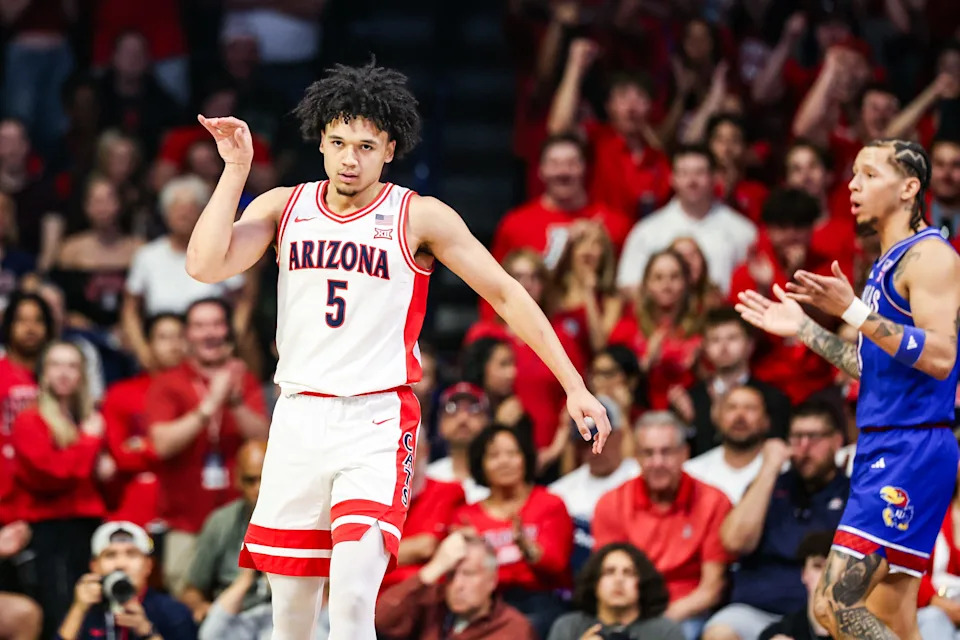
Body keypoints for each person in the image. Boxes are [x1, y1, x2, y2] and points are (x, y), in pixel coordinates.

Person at [184, 60, 611, 640]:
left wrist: (574, 385)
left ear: (389, 148)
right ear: (322, 142)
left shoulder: (418, 215)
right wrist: (235, 170)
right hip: (298, 417)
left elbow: (507, 293)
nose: (348, 159)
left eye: (364, 145)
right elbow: (205, 265)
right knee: (290, 619)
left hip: (375, 418)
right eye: (337, 142)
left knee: (355, 599)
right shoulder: (284, 205)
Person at [735, 139, 960, 639]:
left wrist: (853, 312)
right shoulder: (886, 262)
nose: (853, 185)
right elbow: (875, 367)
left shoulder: (930, 258)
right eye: (853, 174)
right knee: (890, 619)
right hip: (888, 440)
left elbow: (942, 357)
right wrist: (805, 330)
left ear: (909, 188)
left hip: (911, 447)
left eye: (869, 174)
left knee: (833, 605)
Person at [145, 297, 267, 596]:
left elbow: (265, 438)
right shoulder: (167, 383)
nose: (209, 333)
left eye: (216, 323)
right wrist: (210, 403)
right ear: (187, 335)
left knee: (244, 600)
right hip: (185, 521)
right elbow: (161, 444)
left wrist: (235, 400)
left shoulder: (244, 379)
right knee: (186, 600)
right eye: (199, 326)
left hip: (240, 520)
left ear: (227, 330)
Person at [704, 402, 850, 640]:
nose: (803, 447)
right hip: (757, 611)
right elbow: (734, 542)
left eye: (813, 437)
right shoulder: (769, 485)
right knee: (719, 632)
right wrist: (769, 467)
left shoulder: (852, 494)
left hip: (824, 616)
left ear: (836, 441)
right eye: (796, 437)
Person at [592, 411, 732, 640]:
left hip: (687, 613)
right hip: (625, 612)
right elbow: (606, 582)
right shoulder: (611, 503)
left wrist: (658, 625)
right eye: (648, 453)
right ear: (636, 457)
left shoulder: (713, 502)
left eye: (666, 452)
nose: (657, 462)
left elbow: (711, 590)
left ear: (684, 454)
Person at [12, 340, 114, 636]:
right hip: (52, 529)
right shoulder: (30, 420)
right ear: (43, 372)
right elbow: (54, 474)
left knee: (94, 608)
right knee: (62, 610)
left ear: (82, 374)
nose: (64, 373)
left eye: (72, 365)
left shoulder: (88, 417)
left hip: (88, 525)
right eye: (56, 365)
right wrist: (89, 443)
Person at [455, 424, 573, 637]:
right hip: (486, 606)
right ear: (480, 464)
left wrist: (527, 548)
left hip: (542, 601)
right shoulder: (466, 517)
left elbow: (557, 564)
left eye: (512, 453)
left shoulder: (549, 504)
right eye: (494, 455)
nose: (504, 462)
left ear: (525, 458)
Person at [375, 531, 537, 640]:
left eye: (468, 574)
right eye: (451, 574)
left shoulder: (513, 629)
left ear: (492, 580)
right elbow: (381, 621)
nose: (458, 584)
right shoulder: (432, 605)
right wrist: (435, 567)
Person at [56, 520, 196, 640]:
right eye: (110, 555)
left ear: (148, 565)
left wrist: (147, 632)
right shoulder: (85, 609)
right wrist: (78, 610)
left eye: (131, 554)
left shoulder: (172, 611)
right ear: (94, 566)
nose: (121, 564)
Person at [180, 440, 268, 625]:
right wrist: (201, 607)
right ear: (237, 480)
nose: (258, 488)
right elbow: (192, 590)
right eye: (250, 480)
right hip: (234, 617)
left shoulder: (301, 520)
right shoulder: (220, 522)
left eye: (266, 478)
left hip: (284, 618)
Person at [548, 543, 685, 640]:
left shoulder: (664, 631)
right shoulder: (569, 627)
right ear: (595, 583)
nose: (619, 580)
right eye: (609, 572)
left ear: (642, 583)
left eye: (629, 573)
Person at [683, 385, 768, 504]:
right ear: (717, 417)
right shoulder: (693, 472)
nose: (740, 415)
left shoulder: (782, 470)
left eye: (750, 408)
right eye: (731, 408)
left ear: (766, 420)